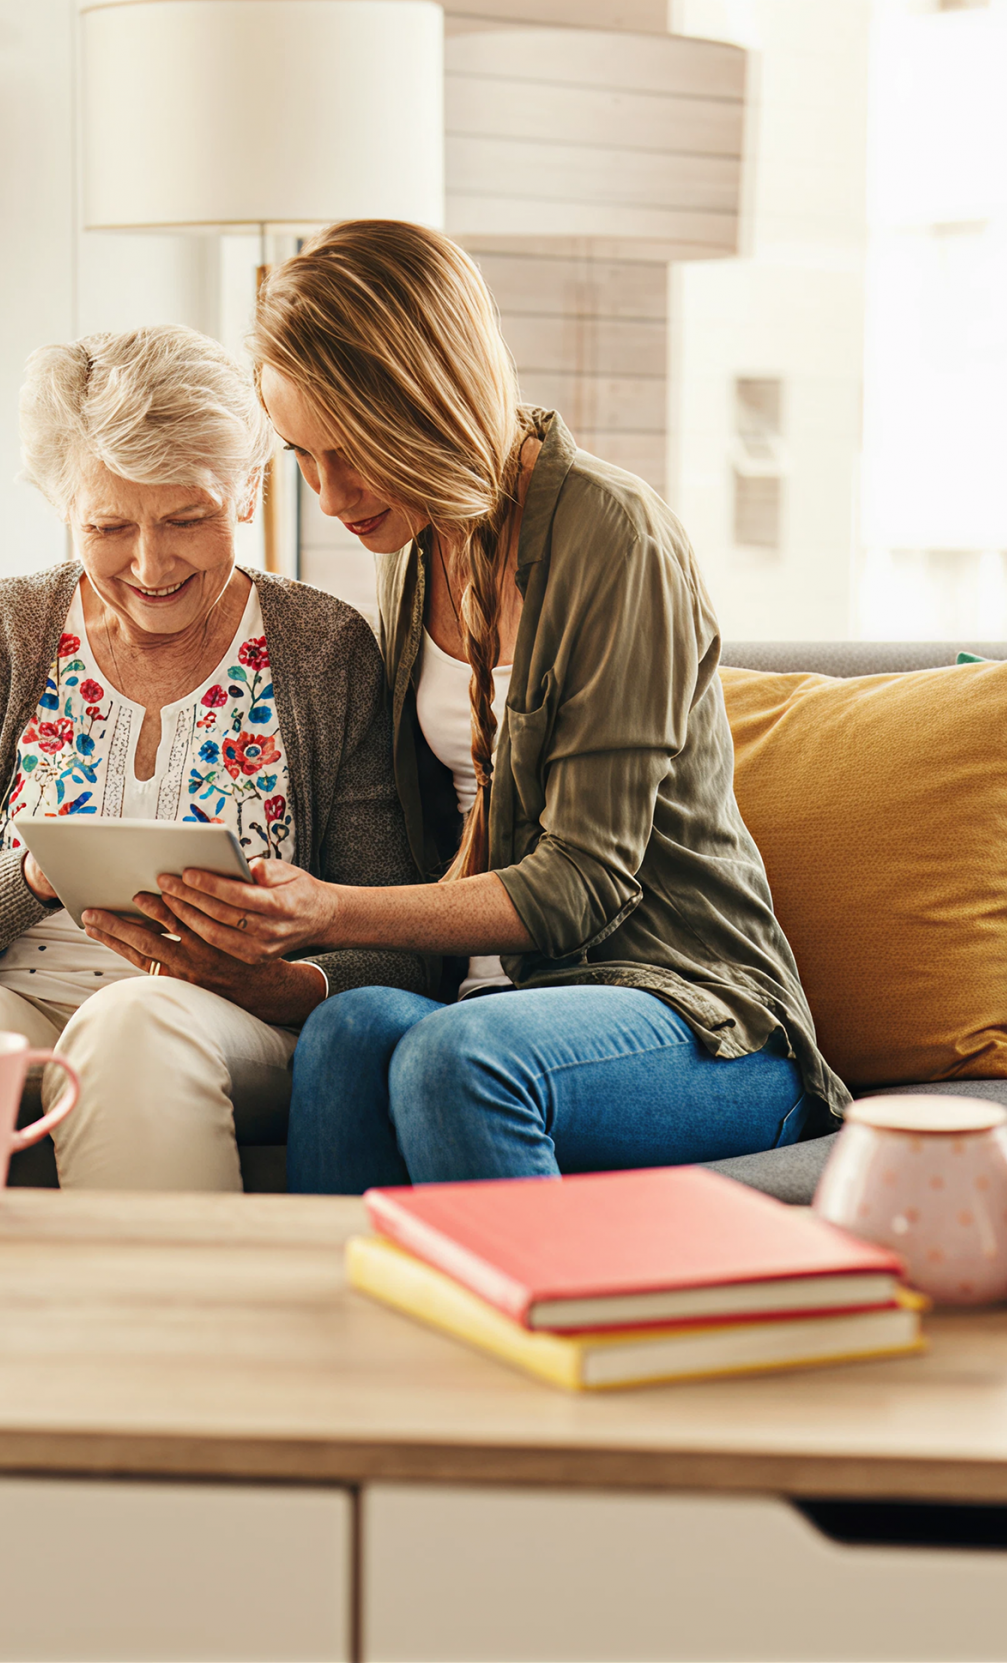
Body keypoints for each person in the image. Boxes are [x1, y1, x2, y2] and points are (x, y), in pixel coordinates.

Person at [133, 220, 851, 1194]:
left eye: (351, 452)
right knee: (346, 1031)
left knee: (456, 1058)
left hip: (694, 1012)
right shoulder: (423, 545)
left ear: (426, 401)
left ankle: (544, 1337)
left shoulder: (615, 536)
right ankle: (327, 1343)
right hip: (498, 1003)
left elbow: (584, 883)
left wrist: (327, 911)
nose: (328, 493)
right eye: (300, 456)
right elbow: (453, 836)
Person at [0, 323, 423, 1194]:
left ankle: (156, 1329)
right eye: (110, 525)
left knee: (134, 1021)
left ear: (247, 494)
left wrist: (271, 979)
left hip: (227, 1025)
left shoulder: (325, 648)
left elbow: (398, 948)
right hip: (16, 1005)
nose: (150, 563)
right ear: (64, 511)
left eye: (187, 519)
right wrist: (33, 874)